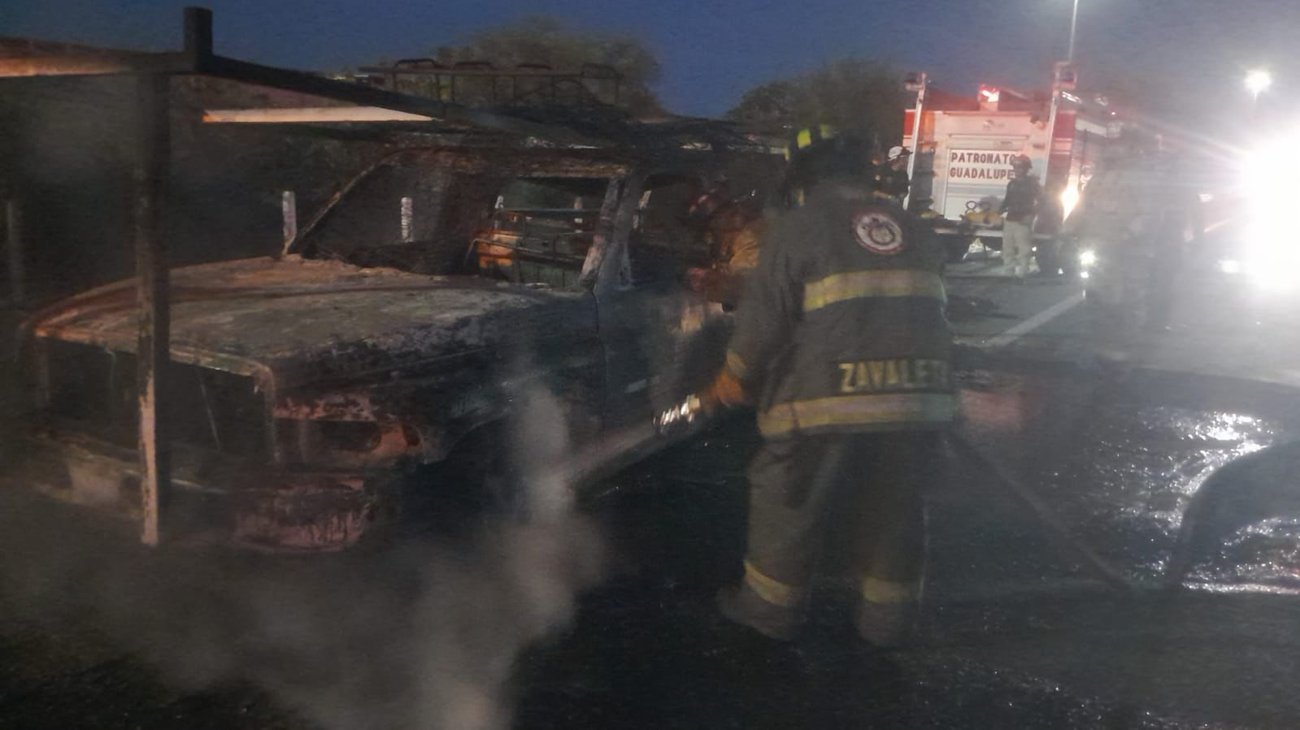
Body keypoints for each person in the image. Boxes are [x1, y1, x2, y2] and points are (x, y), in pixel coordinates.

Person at [699, 131, 954, 647]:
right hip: (918, 397)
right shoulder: (913, 227)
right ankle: (886, 627)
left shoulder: (799, 227)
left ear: (805, 181)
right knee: (894, 511)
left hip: (823, 397)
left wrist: (735, 375)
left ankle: (766, 613)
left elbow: (766, 318)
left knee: (787, 501)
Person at [685, 186, 765, 308]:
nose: (734, 214)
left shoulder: (751, 233)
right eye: (724, 213)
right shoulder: (727, 248)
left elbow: (750, 279)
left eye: (731, 209)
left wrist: (715, 279)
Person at [1000, 154, 1040, 279]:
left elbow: (1040, 202)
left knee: (1024, 250)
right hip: (1010, 219)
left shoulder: (1032, 185)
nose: (1017, 170)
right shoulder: (1012, 184)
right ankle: (1008, 273)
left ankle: (1023, 273)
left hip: (1023, 221)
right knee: (1007, 248)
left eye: (1020, 167)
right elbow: (1007, 201)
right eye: (1015, 167)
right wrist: (997, 213)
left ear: (1026, 169)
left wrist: (1031, 215)